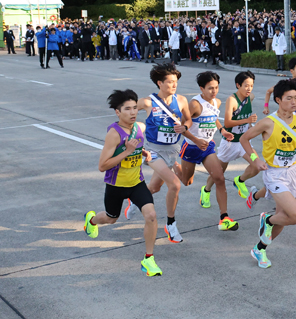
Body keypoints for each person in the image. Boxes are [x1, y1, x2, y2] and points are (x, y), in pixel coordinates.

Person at [240, 79, 296, 269]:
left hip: (291, 172)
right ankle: (267, 220)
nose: (294, 102)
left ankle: (260, 249)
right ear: (278, 100)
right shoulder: (268, 123)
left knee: (284, 217)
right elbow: (244, 138)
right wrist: (256, 159)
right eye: (289, 98)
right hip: (273, 174)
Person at [83, 89, 161, 277]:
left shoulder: (140, 127)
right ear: (118, 112)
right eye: (127, 109)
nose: (133, 112)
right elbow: (102, 165)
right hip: (116, 185)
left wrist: (142, 152)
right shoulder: (114, 134)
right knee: (111, 218)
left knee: (151, 215)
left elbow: (137, 146)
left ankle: (148, 259)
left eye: (135, 108)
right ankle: (91, 220)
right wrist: (126, 152)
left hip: (136, 183)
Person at [136, 63, 190, 243]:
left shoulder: (181, 100)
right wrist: (135, 131)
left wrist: (185, 126)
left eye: (175, 82)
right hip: (153, 151)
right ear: (159, 83)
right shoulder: (147, 102)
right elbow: (127, 115)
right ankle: (171, 224)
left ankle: (133, 200)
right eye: (170, 82)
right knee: (175, 184)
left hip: (172, 152)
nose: (174, 85)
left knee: (154, 188)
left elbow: (188, 119)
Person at [180, 71, 238, 231]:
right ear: (201, 88)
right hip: (191, 147)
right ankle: (173, 166)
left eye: (216, 87)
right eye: (210, 88)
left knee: (219, 178)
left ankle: (224, 218)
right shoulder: (194, 104)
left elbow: (214, 119)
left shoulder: (216, 102)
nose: (214, 91)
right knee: (186, 181)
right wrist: (196, 140)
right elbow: (181, 126)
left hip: (208, 147)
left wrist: (222, 131)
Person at [212, 71, 260, 203]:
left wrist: (249, 125)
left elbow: (247, 117)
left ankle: (239, 181)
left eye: (251, 85)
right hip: (230, 142)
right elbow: (227, 122)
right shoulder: (232, 100)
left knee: (256, 166)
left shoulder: (250, 97)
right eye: (246, 85)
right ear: (238, 85)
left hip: (243, 142)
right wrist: (247, 120)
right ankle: (206, 190)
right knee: (218, 173)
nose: (249, 88)